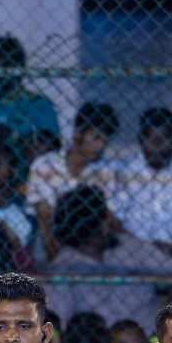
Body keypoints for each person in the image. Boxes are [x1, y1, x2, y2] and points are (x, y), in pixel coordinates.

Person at [47, 185, 172, 334]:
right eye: (105, 215)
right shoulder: (62, 267)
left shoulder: (130, 245)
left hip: (147, 340)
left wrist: (169, 327)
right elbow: (61, 321)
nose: (111, 218)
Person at [27, 103, 121, 259]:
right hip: (51, 243)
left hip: (92, 245)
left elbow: (108, 219)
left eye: (105, 140)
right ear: (78, 135)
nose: (101, 146)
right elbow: (44, 219)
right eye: (96, 138)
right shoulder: (44, 165)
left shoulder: (108, 171)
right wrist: (59, 261)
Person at [112, 108, 172, 248]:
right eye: (151, 139)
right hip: (132, 251)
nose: (157, 146)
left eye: (164, 139)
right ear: (140, 139)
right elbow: (112, 221)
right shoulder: (123, 169)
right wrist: (138, 248)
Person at [0, 36, 60, 164]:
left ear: (17, 68)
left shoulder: (39, 105)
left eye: (1, 64)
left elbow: (48, 150)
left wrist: (14, 140)